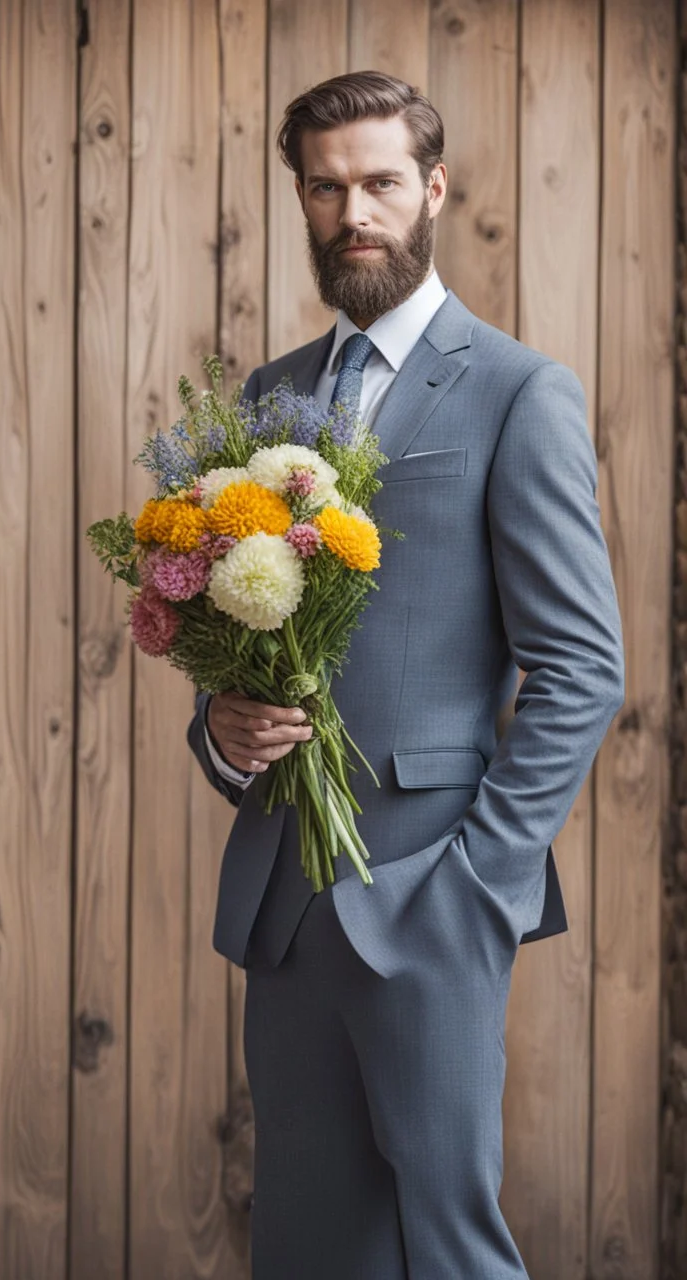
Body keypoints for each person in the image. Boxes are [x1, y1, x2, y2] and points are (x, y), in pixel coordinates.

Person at [186, 69, 625, 1280]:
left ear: (431, 189)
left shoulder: (517, 390)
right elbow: (242, 643)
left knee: (450, 1244)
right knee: (311, 1245)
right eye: (327, 190)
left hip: (438, 895)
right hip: (285, 900)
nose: (355, 212)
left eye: (379, 182)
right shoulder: (272, 399)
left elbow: (583, 666)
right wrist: (225, 730)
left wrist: (480, 885)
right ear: (302, 201)